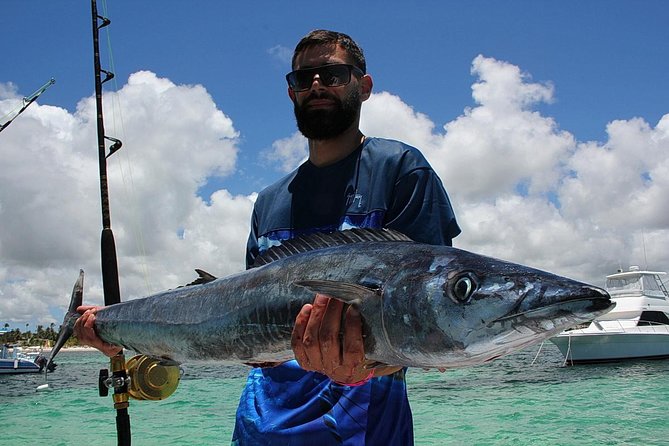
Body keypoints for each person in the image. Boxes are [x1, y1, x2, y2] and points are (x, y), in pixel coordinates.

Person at [75, 29, 460, 445]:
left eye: (332, 74)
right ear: (291, 92)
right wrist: (110, 325)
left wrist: (367, 366)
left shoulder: (401, 169)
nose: (316, 85)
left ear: (363, 86)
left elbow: (428, 321)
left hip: (362, 432)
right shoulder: (270, 201)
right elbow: (245, 328)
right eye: (303, 78)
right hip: (258, 429)